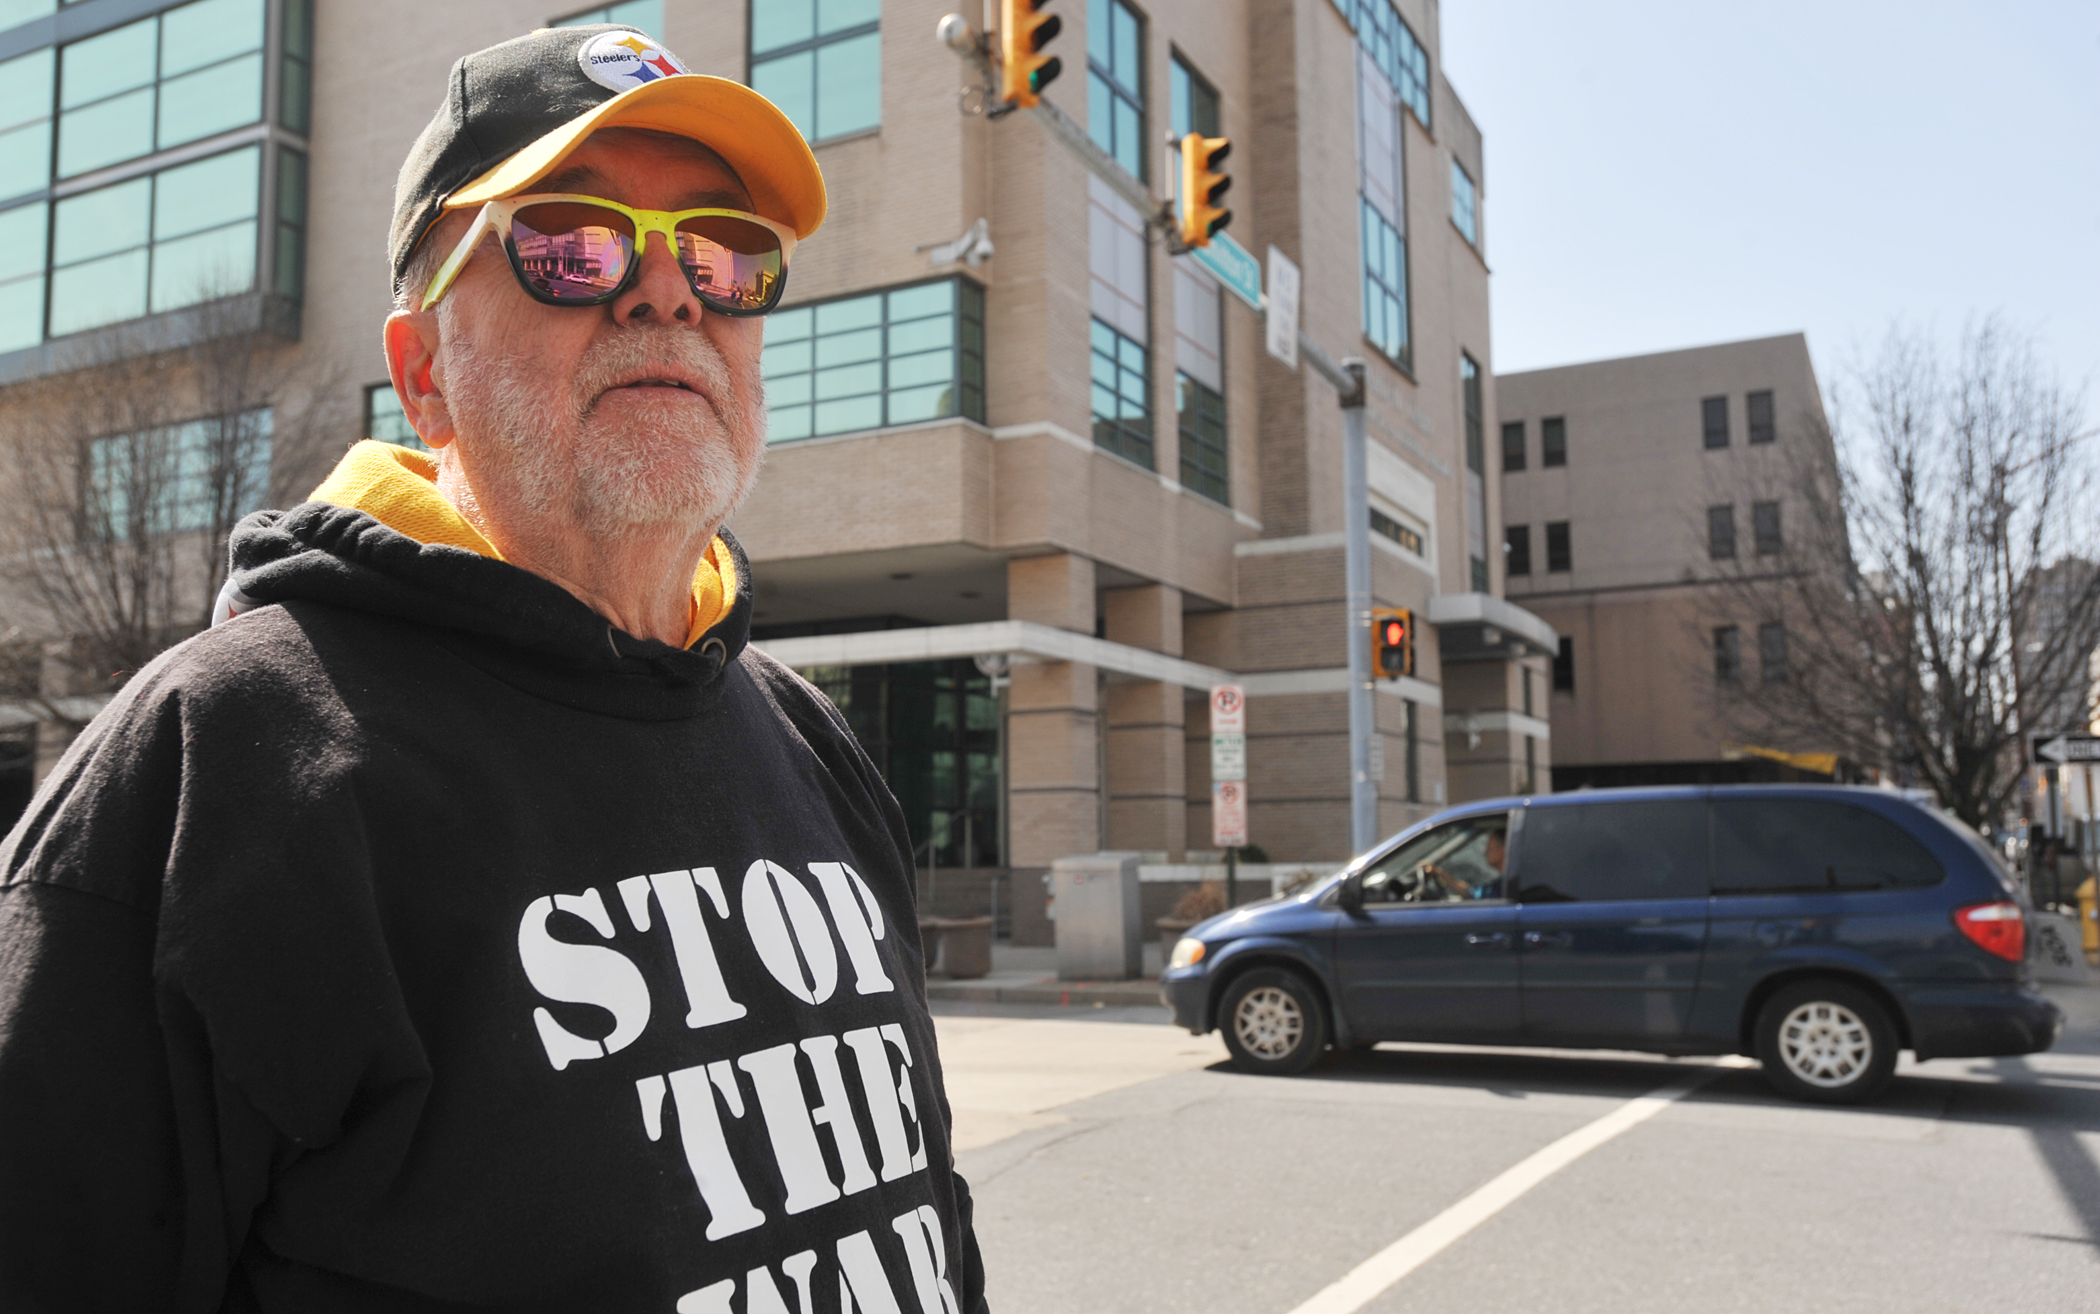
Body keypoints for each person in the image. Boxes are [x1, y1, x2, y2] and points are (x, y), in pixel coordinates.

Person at [0, 26, 987, 1314]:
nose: (669, 294)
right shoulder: (219, 762)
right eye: (571, 245)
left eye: (722, 253)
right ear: (424, 377)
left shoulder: (805, 736)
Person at [1422, 827, 1507, 900]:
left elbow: (1471, 894)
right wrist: (1439, 873)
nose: (1485, 852)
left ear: (1502, 851)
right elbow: (1470, 893)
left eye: (1489, 848)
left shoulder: (1506, 886)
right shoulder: (1502, 883)